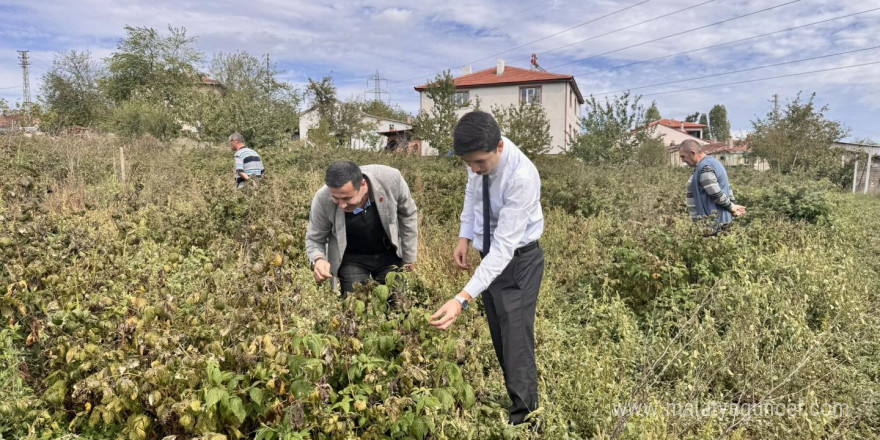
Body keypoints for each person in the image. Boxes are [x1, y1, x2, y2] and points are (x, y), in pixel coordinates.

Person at [429, 111, 545, 426]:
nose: (475, 169)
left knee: (516, 339)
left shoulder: (521, 176)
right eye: (468, 163)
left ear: (499, 147)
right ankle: (516, 398)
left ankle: (527, 419)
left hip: (518, 261)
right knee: (499, 332)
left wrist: (462, 298)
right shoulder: (477, 162)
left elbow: (505, 248)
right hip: (490, 257)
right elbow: (472, 197)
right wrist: (464, 237)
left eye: (480, 162)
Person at [305, 160, 418, 296]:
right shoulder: (323, 198)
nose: (342, 205)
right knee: (355, 308)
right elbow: (314, 238)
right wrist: (319, 259)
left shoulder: (391, 180)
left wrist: (409, 255)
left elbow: (408, 214)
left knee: (397, 304)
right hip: (352, 257)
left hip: (388, 253)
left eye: (347, 198)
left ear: (363, 186)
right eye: (336, 198)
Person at [678, 139, 746, 230]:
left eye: (683, 156)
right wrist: (732, 206)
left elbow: (716, 194)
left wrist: (731, 206)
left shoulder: (705, 167)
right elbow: (727, 187)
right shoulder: (712, 163)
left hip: (713, 224)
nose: (682, 160)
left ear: (692, 153)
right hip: (716, 222)